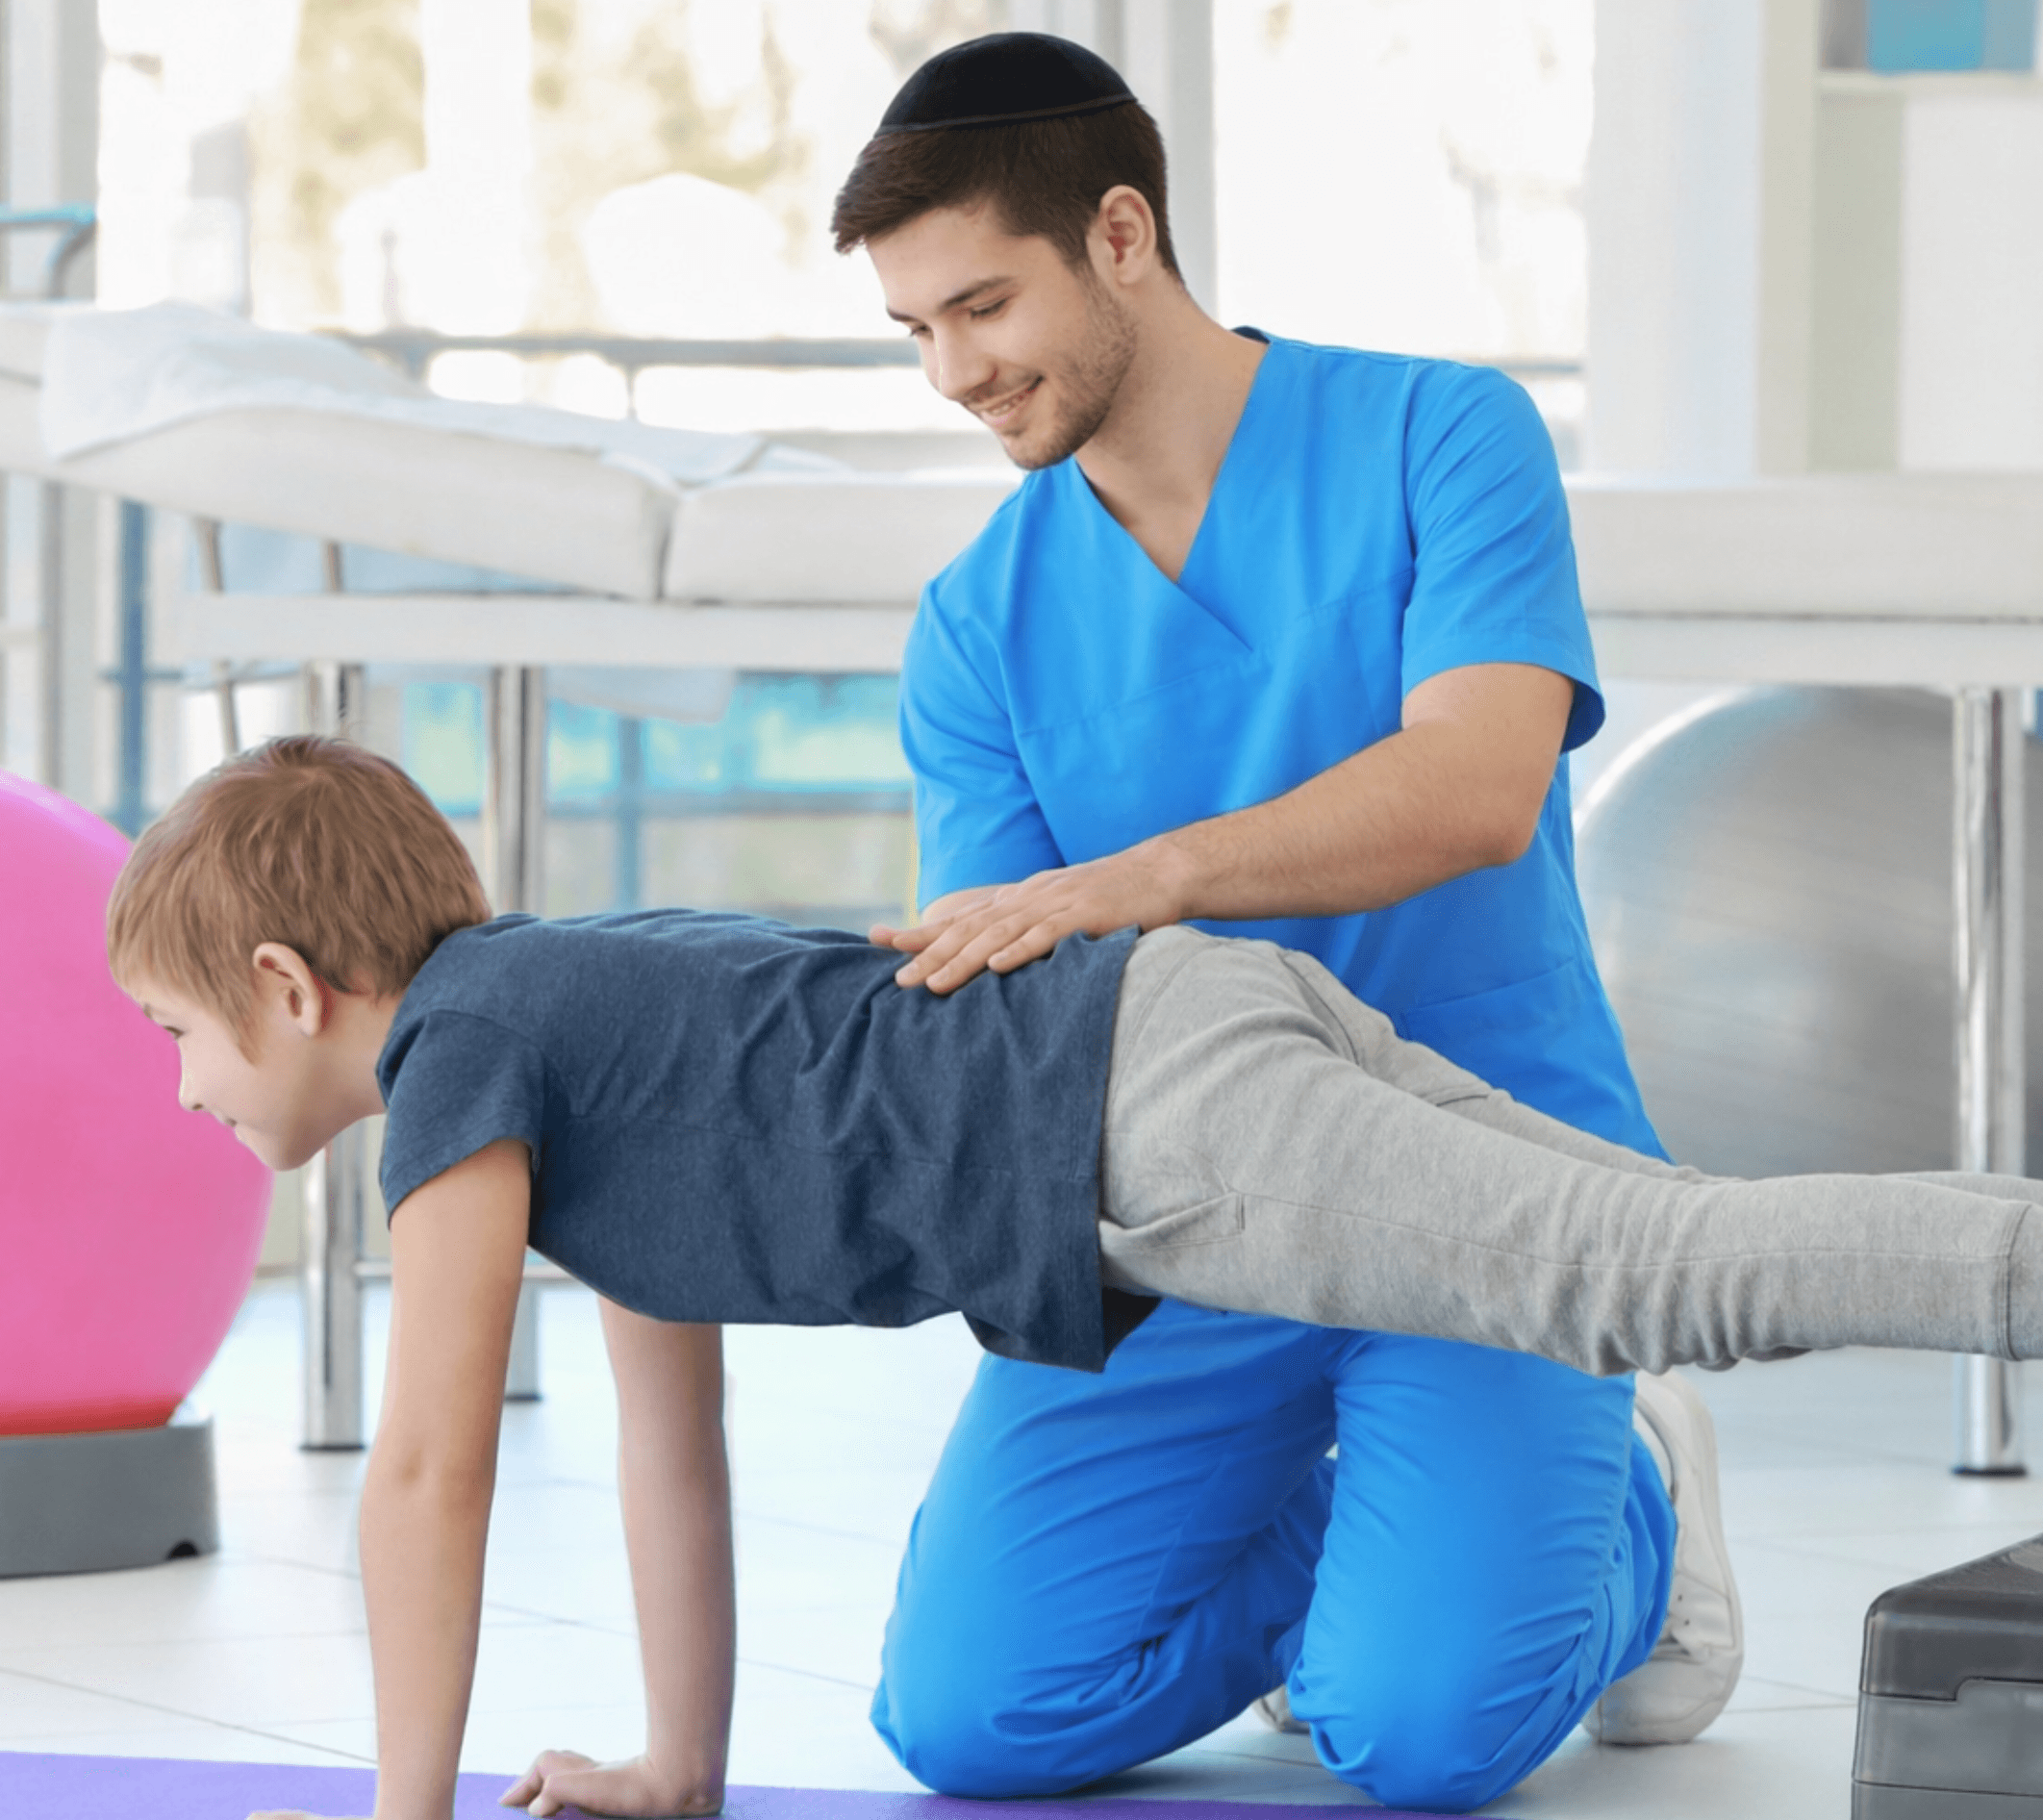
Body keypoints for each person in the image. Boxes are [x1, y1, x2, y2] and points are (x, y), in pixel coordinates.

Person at [111, 735, 2043, 1820]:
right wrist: (677, 1773)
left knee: (1655, 1269)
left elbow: (428, 1470)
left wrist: (400, 1815)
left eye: (179, 1035)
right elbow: (664, 1442)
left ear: (290, 991)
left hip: (1161, 1121)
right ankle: (1632, 1473)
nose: (184, 1089)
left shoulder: (465, 1053)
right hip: (1165, 1022)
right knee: (1648, 1234)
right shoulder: (565, 1022)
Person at [828, 28, 1727, 1811]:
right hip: (1193, 1214)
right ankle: (1381, 1521)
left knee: (1421, 1737)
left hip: (1499, 1177)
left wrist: (1144, 874)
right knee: (976, 1720)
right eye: (915, 331)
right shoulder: (978, 621)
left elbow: (1473, 788)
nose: (953, 372)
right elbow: (1019, 978)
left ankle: (1635, 1496)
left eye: (982, 307)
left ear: (1121, 234)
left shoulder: (1437, 435)